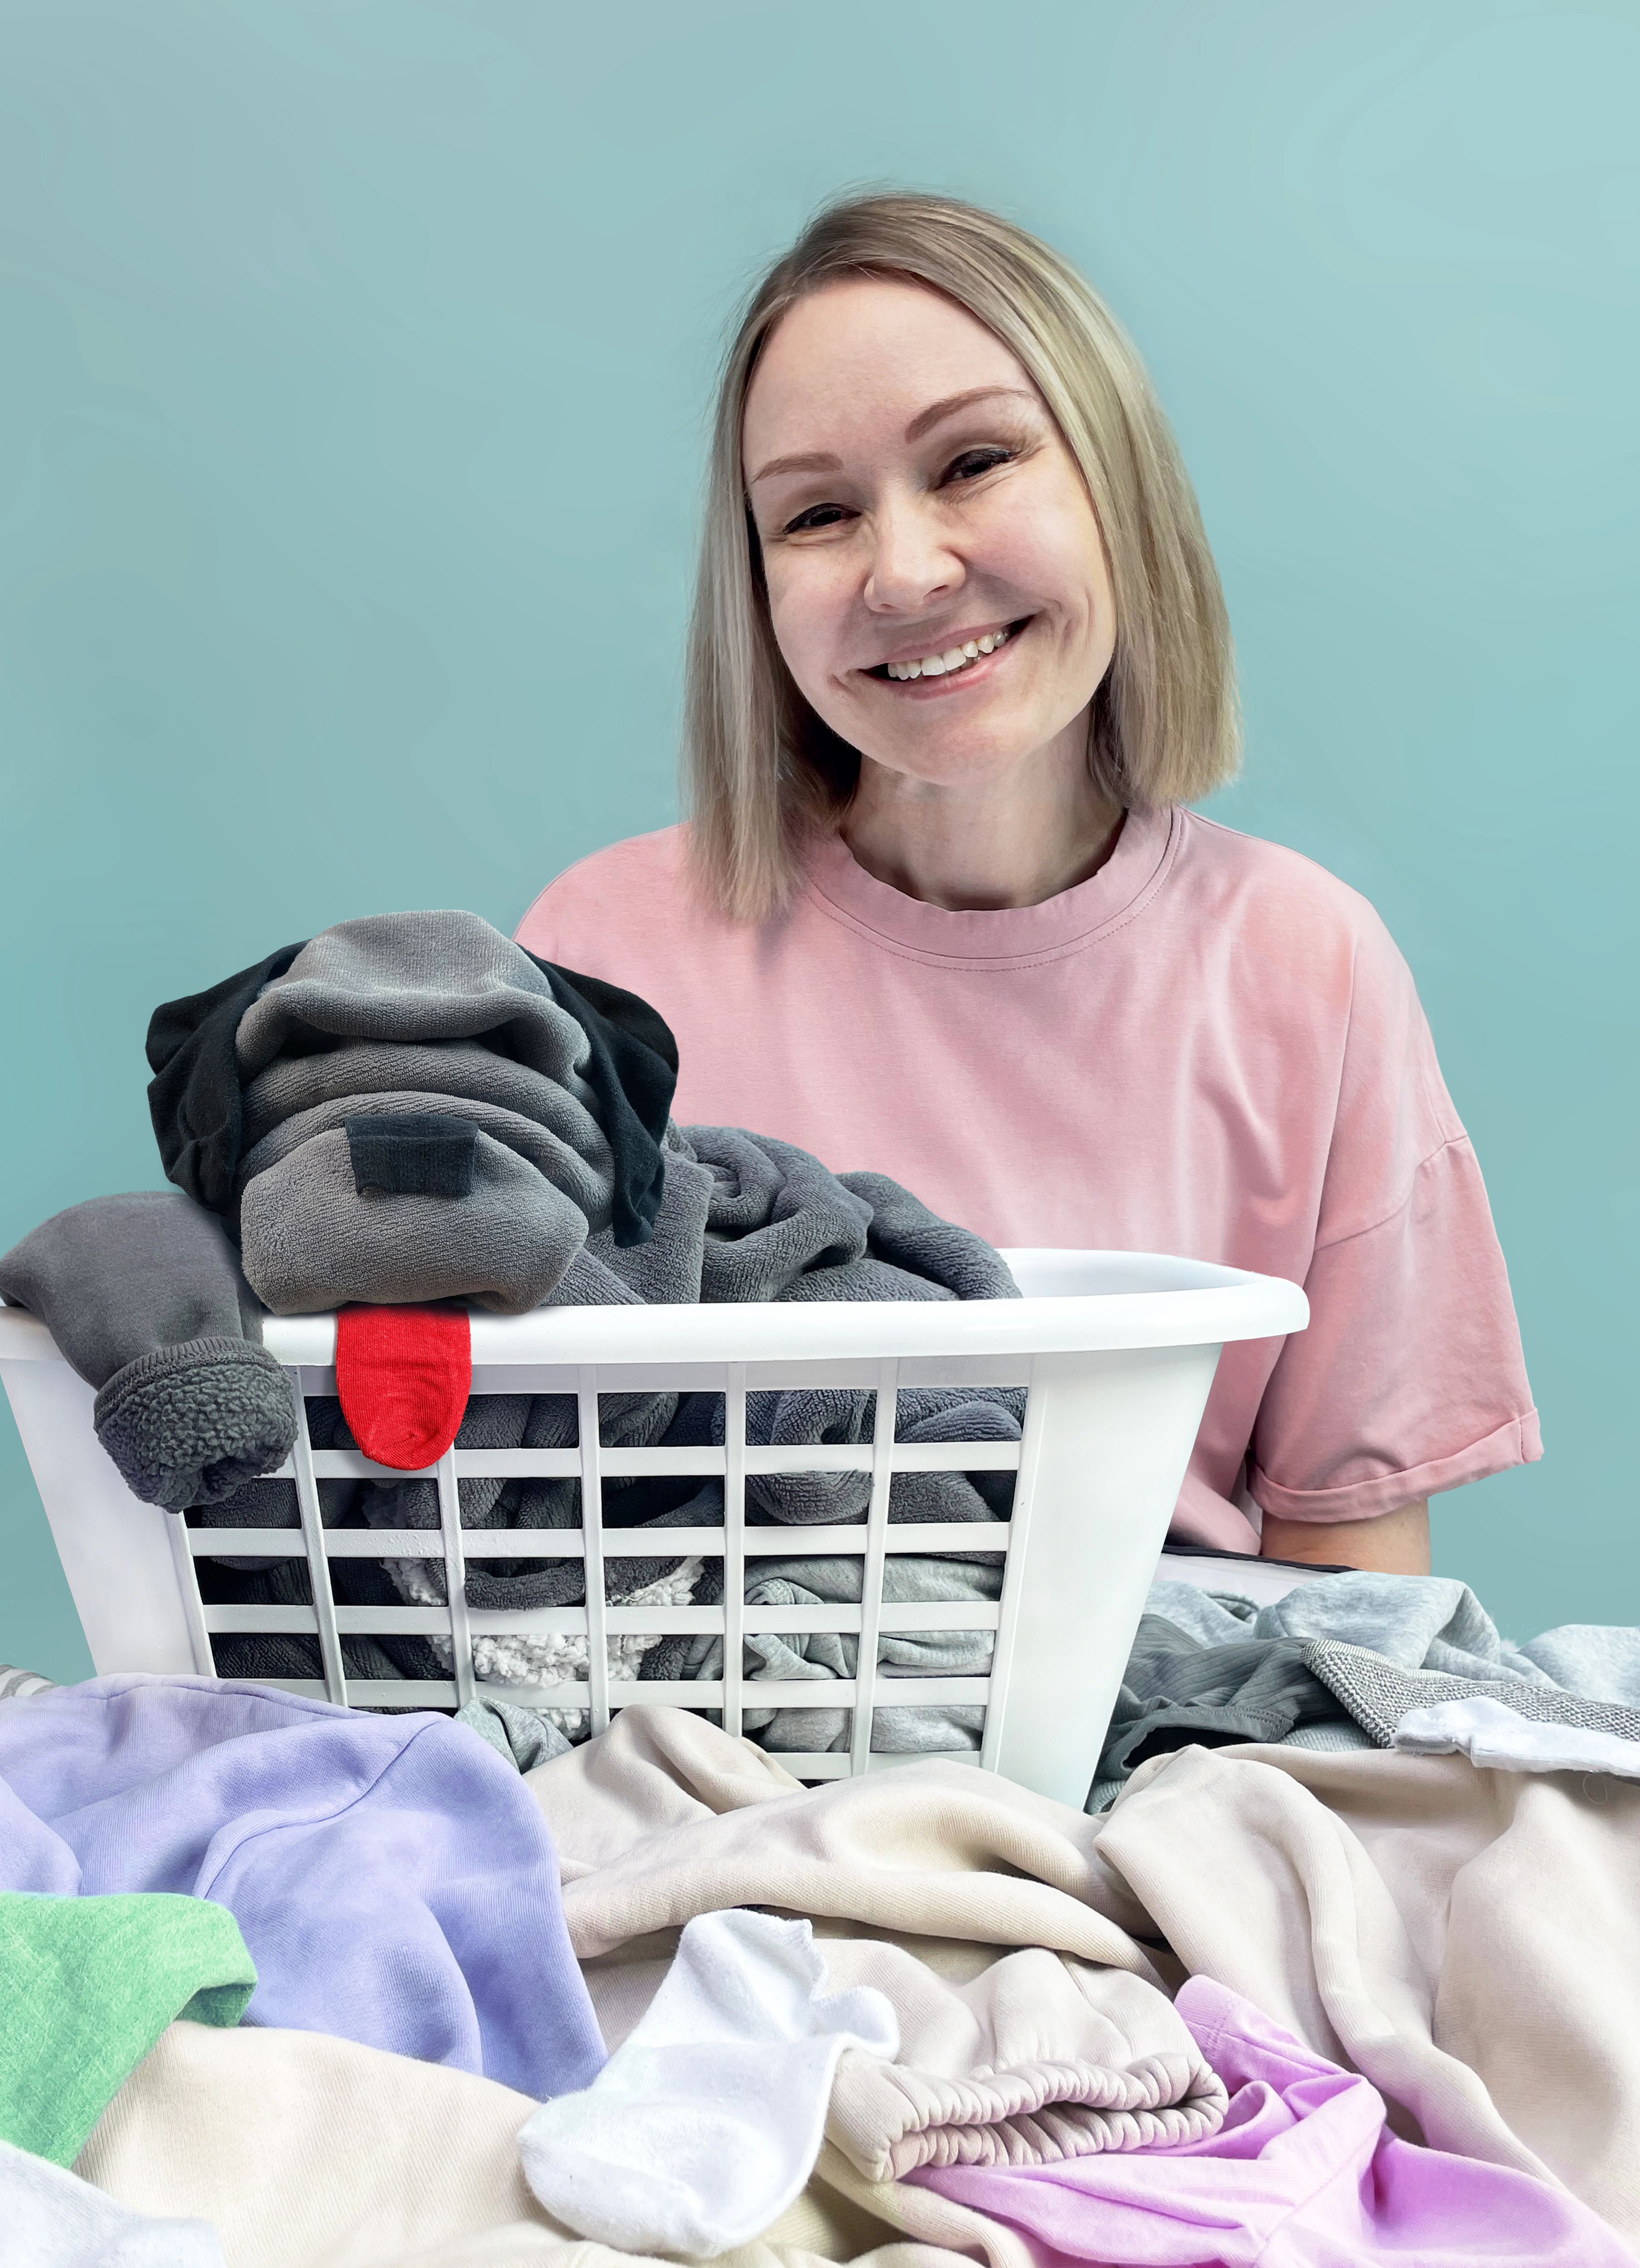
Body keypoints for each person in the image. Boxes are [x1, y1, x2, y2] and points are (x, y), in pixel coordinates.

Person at [515, 193, 1539, 1574]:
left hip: (1162, 1748)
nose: (907, 570)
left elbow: (1349, 1594)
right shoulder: (605, 955)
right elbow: (527, 1507)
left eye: (974, 461)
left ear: (1116, 484)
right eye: (816, 513)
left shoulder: (1309, 966)